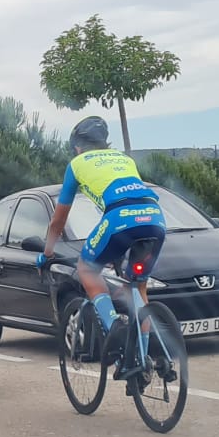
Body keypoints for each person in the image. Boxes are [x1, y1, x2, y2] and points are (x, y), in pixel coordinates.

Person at [36, 115, 167, 365]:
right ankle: (144, 359)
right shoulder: (124, 159)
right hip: (155, 218)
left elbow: (58, 220)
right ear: (105, 143)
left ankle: (114, 326)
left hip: (119, 219)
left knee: (87, 268)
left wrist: (48, 253)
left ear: (77, 147)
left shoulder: (77, 164)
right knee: (138, 287)